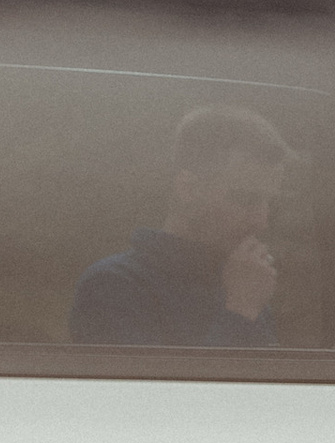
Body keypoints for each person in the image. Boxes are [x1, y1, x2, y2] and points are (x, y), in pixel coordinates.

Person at [70, 104, 294, 347]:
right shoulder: (114, 286)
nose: (261, 221)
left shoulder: (242, 284)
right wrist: (240, 312)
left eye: (270, 204)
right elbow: (153, 386)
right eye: (244, 199)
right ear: (189, 188)